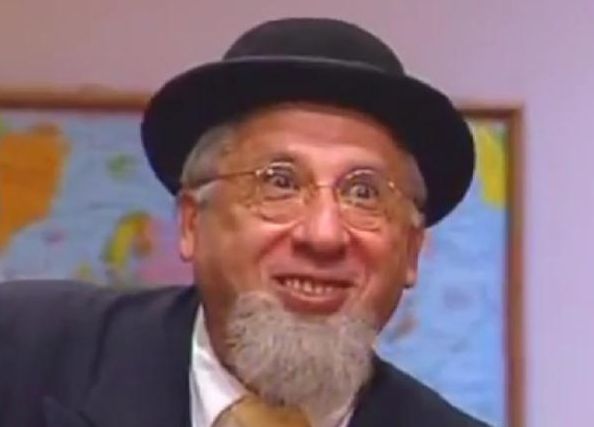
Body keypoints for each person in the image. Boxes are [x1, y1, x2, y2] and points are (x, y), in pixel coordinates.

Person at [0, 17, 490, 427]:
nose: (323, 235)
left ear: (411, 250)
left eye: (364, 193)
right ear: (192, 223)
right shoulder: (22, 353)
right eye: (279, 182)